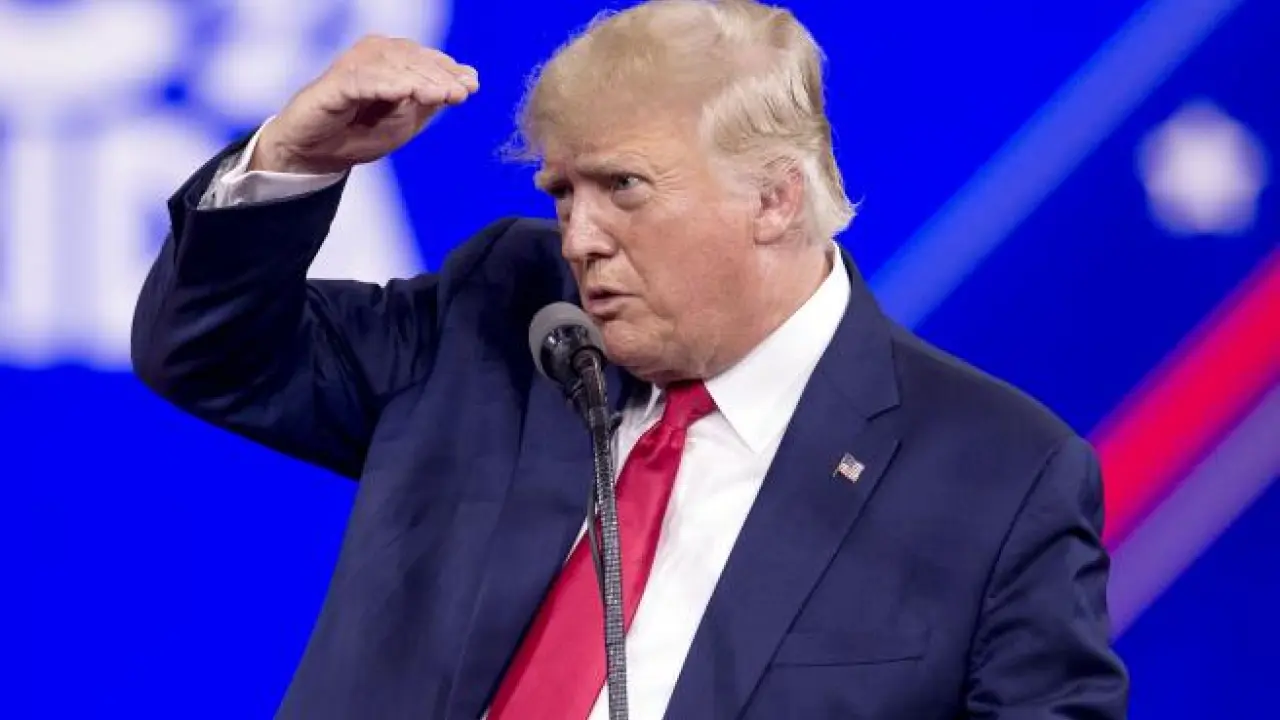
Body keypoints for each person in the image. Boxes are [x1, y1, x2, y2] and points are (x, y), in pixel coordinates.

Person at [131, 0, 1130, 718]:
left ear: (773, 197)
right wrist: (295, 160)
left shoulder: (995, 475)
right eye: (563, 193)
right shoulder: (506, 316)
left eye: (623, 188)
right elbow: (211, 354)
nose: (579, 238)